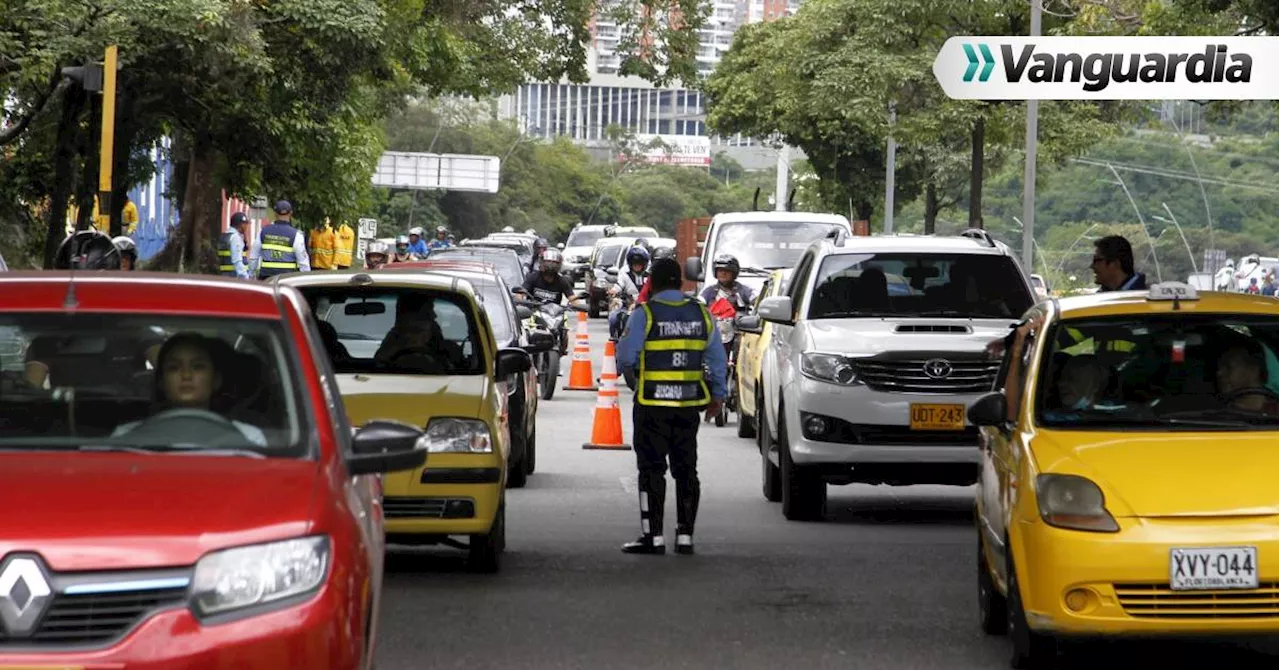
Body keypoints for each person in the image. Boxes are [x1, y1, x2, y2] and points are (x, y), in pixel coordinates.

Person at [615, 257, 728, 556]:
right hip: (688, 405)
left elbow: (626, 356)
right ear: (680, 282)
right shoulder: (702, 314)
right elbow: (717, 359)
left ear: (652, 283)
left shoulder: (645, 314)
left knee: (651, 470)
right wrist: (717, 396)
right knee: (686, 469)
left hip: (652, 405)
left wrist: (633, 371)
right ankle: (686, 536)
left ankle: (653, 537)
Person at [111, 333, 267, 446]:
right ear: (161, 382)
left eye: (198, 367)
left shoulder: (250, 438)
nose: (186, 375)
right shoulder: (125, 436)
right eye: (174, 368)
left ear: (216, 380)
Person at [250, 200, 310, 279]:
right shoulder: (296, 235)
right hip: (287, 279)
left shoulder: (263, 232)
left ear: (275, 213)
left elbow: (254, 257)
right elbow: (303, 263)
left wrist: (251, 275)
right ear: (291, 213)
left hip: (266, 278)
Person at [1216, 342, 1280, 414]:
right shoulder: (1216, 415)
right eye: (1219, 368)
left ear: (1253, 371)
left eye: (1228, 367)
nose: (1219, 373)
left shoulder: (1276, 411)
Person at [609, 245, 649, 337]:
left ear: (645, 264)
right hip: (627, 306)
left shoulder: (651, 275)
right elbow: (619, 285)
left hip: (647, 306)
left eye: (640, 264)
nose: (637, 266)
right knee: (614, 318)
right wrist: (613, 291)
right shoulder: (624, 273)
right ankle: (616, 340)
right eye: (635, 264)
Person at [217, 212, 252, 278]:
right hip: (235, 277)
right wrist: (245, 277)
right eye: (246, 223)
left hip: (225, 275)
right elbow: (237, 260)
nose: (247, 226)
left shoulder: (225, 236)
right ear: (241, 225)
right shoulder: (235, 238)